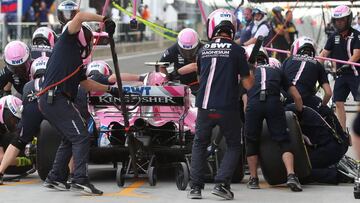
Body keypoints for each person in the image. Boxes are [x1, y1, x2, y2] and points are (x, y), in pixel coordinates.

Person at [38, 11, 118, 195]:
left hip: (51, 99)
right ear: (85, 38)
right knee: (81, 136)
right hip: (55, 98)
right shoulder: (67, 42)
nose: (90, 45)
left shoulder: (75, 60)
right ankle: (80, 179)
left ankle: (55, 176)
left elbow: (87, 84)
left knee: (70, 137)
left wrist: (110, 89)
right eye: (90, 41)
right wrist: (104, 20)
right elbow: (80, 15)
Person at [188, 9, 254, 200]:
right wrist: (251, 70)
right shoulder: (237, 51)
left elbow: (201, 78)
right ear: (232, 29)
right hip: (227, 107)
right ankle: (222, 183)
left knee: (200, 144)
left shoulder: (202, 50)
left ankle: (195, 189)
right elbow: (248, 84)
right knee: (234, 145)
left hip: (205, 106)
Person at [244, 45, 303, 192]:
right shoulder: (277, 70)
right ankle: (291, 174)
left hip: (254, 105)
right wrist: (299, 114)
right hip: (274, 103)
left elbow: (245, 104)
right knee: (283, 140)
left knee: (251, 140)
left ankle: (253, 179)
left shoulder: (246, 74)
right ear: (266, 58)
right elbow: (297, 96)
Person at [0, 57, 48, 185]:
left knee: (19, 139)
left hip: (32, 108)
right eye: (11, 120)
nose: (14, 124)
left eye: (16, 120)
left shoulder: (28, 86)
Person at [319, 5, 360, 132]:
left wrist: (346, 65)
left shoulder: (357, 35)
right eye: (337, 20)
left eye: (342, 20)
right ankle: (343, 131)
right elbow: (324, 54)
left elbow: (357, 54)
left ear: (348, 19)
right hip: (341, 76)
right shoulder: (333, 37)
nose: (339, 22)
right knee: (338, 102)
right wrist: (314, 65)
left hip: (356, 75)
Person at [282, 37, 332, 112]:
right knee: (329, 115)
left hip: (285, 98)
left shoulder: (287, 60)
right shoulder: (317, 64)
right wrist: (322, 107)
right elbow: (328, 93)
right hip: (306, 100)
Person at [160, 28, 202, 93]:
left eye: (191, 51)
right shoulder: (173, 49)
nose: (188, 53)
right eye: (184, 50)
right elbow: (161, 65)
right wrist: (166, 81)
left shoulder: (204, 48)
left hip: (198, 83)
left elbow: (195, 66)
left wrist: (178, 72)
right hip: (179, 83)